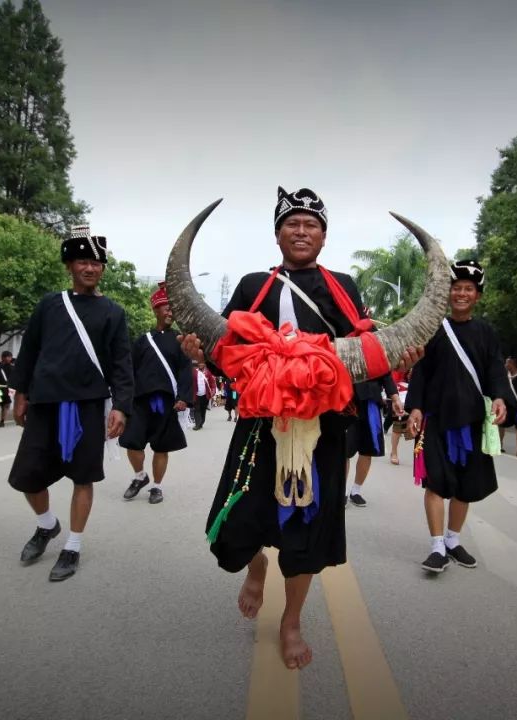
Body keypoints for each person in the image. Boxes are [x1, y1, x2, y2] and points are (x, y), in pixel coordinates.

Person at [177, 186, 424, 670]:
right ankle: (254, 566)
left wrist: (399, 356)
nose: (302, 230)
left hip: (324, 431)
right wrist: (200, 353)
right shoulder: (253, 286)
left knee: (306, 534)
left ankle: (291, 621)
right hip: (259, 426)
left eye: (311, 224)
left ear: (324, 236)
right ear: (277, 234)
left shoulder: (344, 286)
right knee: (238, 521)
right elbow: (229, 355)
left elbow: (363, 353)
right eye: (292, 223)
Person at [7, 229, 133, 582]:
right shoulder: (50, 304)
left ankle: (72, 546)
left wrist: (121, 406)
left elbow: (122, 364)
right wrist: (19, 393)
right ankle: (47, 525)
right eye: (83, 261)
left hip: (89, 405)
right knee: (27, 477)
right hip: (45, 402)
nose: (90, 268)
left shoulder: (113, 312)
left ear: (102, 269)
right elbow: (29, 350)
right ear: (69, 266)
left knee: (83, 477)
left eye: (96, 263)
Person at [406, 260, 508, 574]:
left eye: (469, 289)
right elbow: (420, 372)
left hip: (473, 421)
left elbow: (494, 369)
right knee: (436, 483)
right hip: (436, 420)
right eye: (457, 288)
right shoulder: (434, 328)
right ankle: (437, 546)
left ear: (477, 295)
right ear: (448, 293)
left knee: (464, 487)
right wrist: (416, 407)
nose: (462, 293)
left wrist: (501, 397)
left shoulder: (486, 332)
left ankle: (453, 540)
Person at [120, 282, 193, 505]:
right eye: (166, 307)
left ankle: (156, 487)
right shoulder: (143, 340)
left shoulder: (180, 340)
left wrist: (183, 397)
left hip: (168, 402)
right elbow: (129, 370)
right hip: (140, 401)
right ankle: (140, 476)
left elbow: (184, 370)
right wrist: (122, 399)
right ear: (156, 310)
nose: (170, 312)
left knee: (161, 447)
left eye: (173, 308)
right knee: (132, 442)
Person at [345, 372, 402, 507]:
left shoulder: (377, 351)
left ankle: (356, 490)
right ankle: (342, 491)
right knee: (344, 450)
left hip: (371, 403)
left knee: (368, 450)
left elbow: (386, 375)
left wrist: (395, 398)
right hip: (347, 401)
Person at [386, 369, 411, 464]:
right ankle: (394, 452)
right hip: (400, 393)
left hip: (414, 391)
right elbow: (393, 378)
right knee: (398, 425)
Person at [191, 362, 216, 430]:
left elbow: (212, 383)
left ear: (204, 364)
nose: (200, 365)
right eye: (199, 363)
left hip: (205, 395)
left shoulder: (208, 373)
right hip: (196, 395)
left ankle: (201, 422)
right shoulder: (194, 371)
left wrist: (213, 392)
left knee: (203, 409)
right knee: (197, 409)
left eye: (202, 363)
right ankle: (197, 424)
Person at [0, 351, 15, 426]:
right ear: (2, 357)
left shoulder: (13, 367)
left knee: (6, 404)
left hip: (8, 388)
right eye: (6, 357)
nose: (8, 358)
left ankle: (2, 420)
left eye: (9, 357)